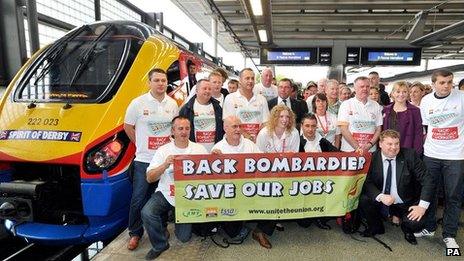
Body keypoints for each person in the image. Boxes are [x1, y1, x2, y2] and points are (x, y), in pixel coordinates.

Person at [123, 68, 179, 250]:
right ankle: (135, 233)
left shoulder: (172, 104)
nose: (161, 83)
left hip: (164, 161)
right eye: (157, 80)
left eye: (163, 80)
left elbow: (174, 129)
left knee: (161, 195)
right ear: (149, 83)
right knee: (138, 198)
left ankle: (161, 227)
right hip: (144, 160)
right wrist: (140, 144)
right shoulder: (137, 103)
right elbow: (128, 127)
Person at [141, 116, 207, 260]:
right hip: (166, 193)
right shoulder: (163, 150)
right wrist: (165, 165)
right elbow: (149, 177)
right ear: (173, 131)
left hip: (189, 197)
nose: (184, 132)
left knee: (184, 238)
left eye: (187, 128)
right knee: (147, 212)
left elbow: (211, 173)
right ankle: (160, 244)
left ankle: (176, 218)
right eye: (180, 129)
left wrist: (216, 157)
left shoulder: (199, 149)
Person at [359, 130, 434, 245]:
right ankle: (376, 227)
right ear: (380, 144)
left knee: (415, 222)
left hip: (405, 200)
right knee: (364, 199)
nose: (394, 147)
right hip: (383, 199)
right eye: (389, 144)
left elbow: (427, 180)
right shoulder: (372, 158)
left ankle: (407, 228)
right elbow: (367, 182)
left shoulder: (410, 155)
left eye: (397, 144)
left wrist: (422, 207)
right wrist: (380, 196)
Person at [417, 69, 464, 249]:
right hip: (432, 154)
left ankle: (449, 234)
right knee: (430, 192)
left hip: (456, 156)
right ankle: (429, 227)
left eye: (449, 82)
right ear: (434, 83)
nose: (446, 86)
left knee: (453, 195)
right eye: (442, 83)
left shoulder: (461, 97)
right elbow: (427, 127)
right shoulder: (426, 100)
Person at [253, 104, 299, 249]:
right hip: (265, 175)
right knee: (271, 198)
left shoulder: (294, 133)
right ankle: (260, 231)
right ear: (274, 118)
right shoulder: (264, 133)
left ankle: (265, 226)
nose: (285, 120)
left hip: (285, 174)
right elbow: (258, 157)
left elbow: (294, 157)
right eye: (281, 116)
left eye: (287, 116)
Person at [211, 116, 261, 238]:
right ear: (225, 128)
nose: (238, 129)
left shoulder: (250, 145)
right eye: (234, 126)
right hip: (229, 193)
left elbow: (263, 164)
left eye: (240, 126)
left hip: (250, 189)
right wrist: (216, 160)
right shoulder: (217, 148)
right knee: (233, 233)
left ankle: (258, 229)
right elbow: (212, 178)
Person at [296, 113, 339, 229]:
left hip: (322, 183)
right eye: (307, 126)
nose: (310, 129)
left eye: (313, 126)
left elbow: (339, 156)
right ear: (302, 126)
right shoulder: (296, 142)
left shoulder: (323, 142)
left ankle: (320, 218)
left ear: (316, 127)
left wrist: (356, 154)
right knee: (304, 224)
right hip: (302, 184)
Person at [223, 68, 270, 141]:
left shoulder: (262, 99)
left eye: (252, 78)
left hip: (257, 142)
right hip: (236, 143)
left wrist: (258, 138)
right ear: (240, 81)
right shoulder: (230, 98)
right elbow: (229, 123)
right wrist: (248, 137)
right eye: (247, 78)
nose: (250, 81)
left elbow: (266, 123)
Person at [338, 76, 383, 153]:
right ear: (355, 89)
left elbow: (378, 129)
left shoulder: (376, 105)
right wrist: (357, 147)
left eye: (367, 86)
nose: (365, 89)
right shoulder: (346, 104)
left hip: (370, 150)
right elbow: (343, 129)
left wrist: (370, 145)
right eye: (362, 86)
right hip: (349, 150)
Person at [178, 79, 224, 151]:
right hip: (194, 152)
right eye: (204, 88)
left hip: (214, 151)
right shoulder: (187, 108)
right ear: (196, 91)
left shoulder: (217, 107)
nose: (207, 91)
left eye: (209, 89)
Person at [382, 81, 423, 155]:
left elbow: (418, 134)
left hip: (408, 150)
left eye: (404, 92)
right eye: (398, 91)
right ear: (393, 93)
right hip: (388, 150)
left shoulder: (415, 111)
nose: (401, 94)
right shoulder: (385, 110)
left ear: (408, 94)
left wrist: (416, 153)